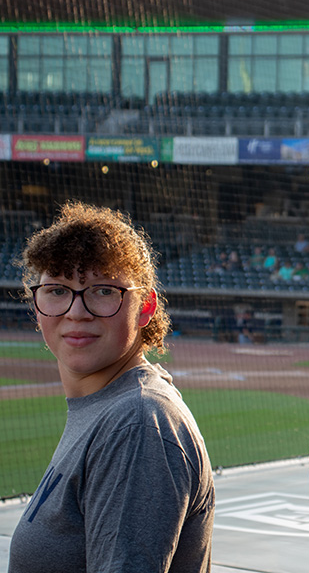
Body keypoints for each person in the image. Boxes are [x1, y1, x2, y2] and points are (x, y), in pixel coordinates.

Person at [9, 201, 215, 573]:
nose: (76, 311)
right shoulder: (105, 407)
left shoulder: (137, 422)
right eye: (57, 289)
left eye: (103, 291)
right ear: (36, 305)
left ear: (146, 306)